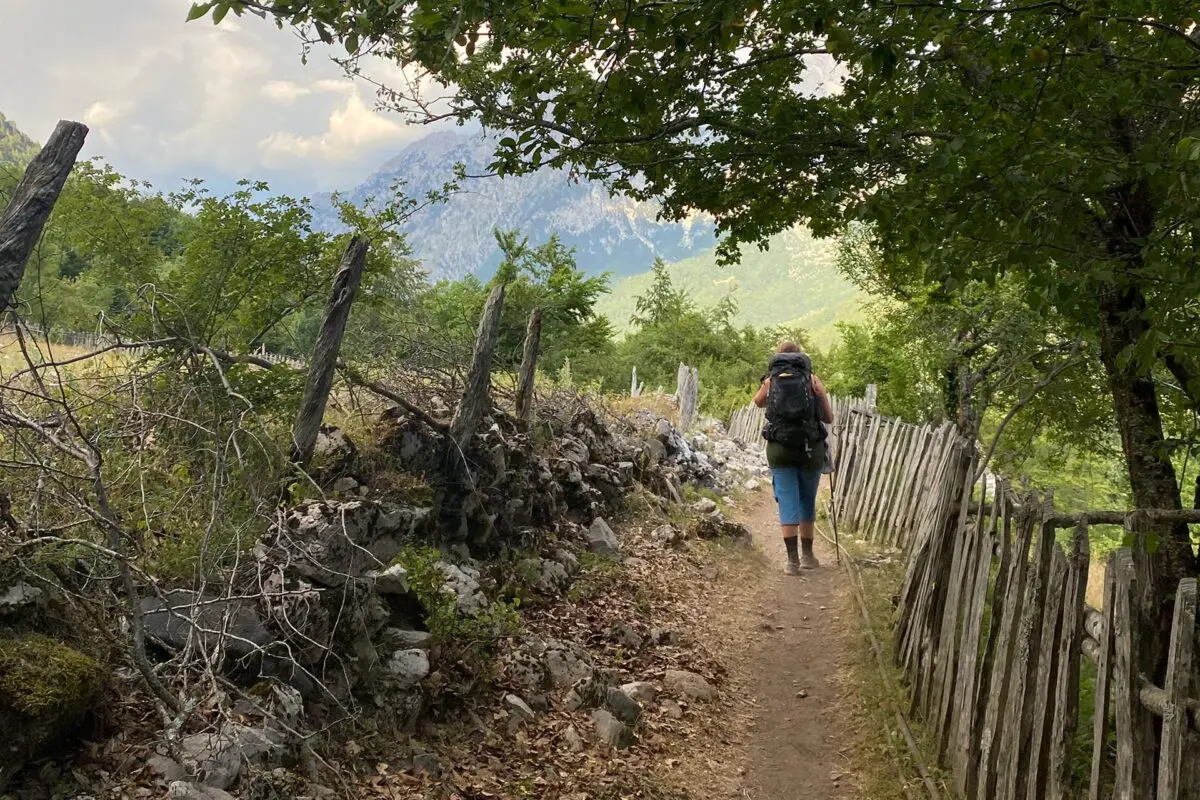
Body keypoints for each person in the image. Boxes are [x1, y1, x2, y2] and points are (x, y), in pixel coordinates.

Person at [753, 342, 834, 575]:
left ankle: (792, 561)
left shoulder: (772, 380)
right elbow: (827, 418)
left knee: (787, 500)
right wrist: (822, 395)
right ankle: (808, 556)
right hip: (811, 448)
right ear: (801, 357)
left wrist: (768, 386)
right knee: (806, 500)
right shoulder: (812, 379)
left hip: (780, 448)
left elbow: (758, 402)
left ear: (779, 357)